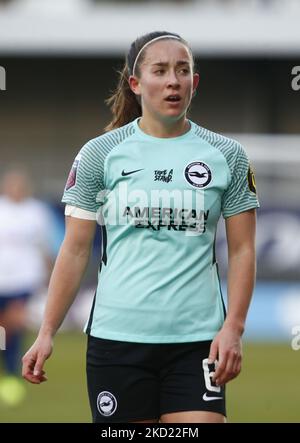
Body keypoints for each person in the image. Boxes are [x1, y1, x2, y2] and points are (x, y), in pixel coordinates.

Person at [22, 31, 259, 423]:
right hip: (118, 340)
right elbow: (76, 249)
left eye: (183, 71)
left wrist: (233, 327)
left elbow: (242, 249)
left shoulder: (228, 156)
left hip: (198, 340)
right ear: (136, 83)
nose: (173, 81)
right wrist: (47, 330)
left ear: (194, 82)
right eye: (160, 70)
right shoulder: (100, 154)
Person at [0, 169, 53, 406]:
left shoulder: (36, 212)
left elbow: (46, 247)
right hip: (2, 278)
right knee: (3, 328)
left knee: (13, 324)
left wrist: (49, 277)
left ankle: (12, 371)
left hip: (25, 279)